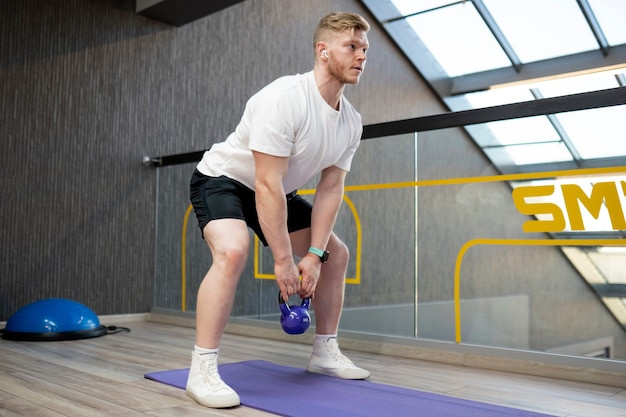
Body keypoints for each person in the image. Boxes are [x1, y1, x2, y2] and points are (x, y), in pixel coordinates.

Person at [186, 12, 371, 409]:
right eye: (351, 47)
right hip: (225, 180)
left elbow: (330, 188)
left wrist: (316, 256)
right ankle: (201, 368)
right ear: (323, 51)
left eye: (364, 50)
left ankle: (324, 351)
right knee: (233, 250)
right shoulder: (285, 98)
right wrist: (284, 261)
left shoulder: (351, 123)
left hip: (276, 191)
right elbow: (265, 183)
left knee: (336, 254)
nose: (361, 56)